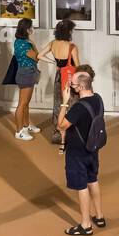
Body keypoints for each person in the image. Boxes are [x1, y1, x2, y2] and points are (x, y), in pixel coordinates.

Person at [58, 71, 106, 236]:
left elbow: (61, 125)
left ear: (80, 87)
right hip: (93, 148)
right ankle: (99, 216)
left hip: (77, 151)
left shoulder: (79, 107)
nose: (70, 87)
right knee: (93, 179)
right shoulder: (98, 99)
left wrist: (64, 102)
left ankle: (86, 225)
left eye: (72, 85)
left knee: (81, 185)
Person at [41, 20, 80, 148]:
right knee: (72, 104)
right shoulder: (72, 47)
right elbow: (78, 67)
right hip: (71, 78)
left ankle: (58, 133)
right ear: (68, 32)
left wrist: (54, 63)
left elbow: (40, 55)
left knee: (59, 103)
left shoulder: (53, 44)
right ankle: (70, 134)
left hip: (59, 76)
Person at [12, 18, 40, 140]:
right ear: (26, 29)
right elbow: (37, 57)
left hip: (27, 72)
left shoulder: (19, 41)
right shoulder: (25, 44)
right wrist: (33, 44)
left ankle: (26, 125)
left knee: (26, 103)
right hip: (26, 73)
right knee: (22, 104)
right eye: (31, 27)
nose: (32, 29)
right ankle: (19, 132)